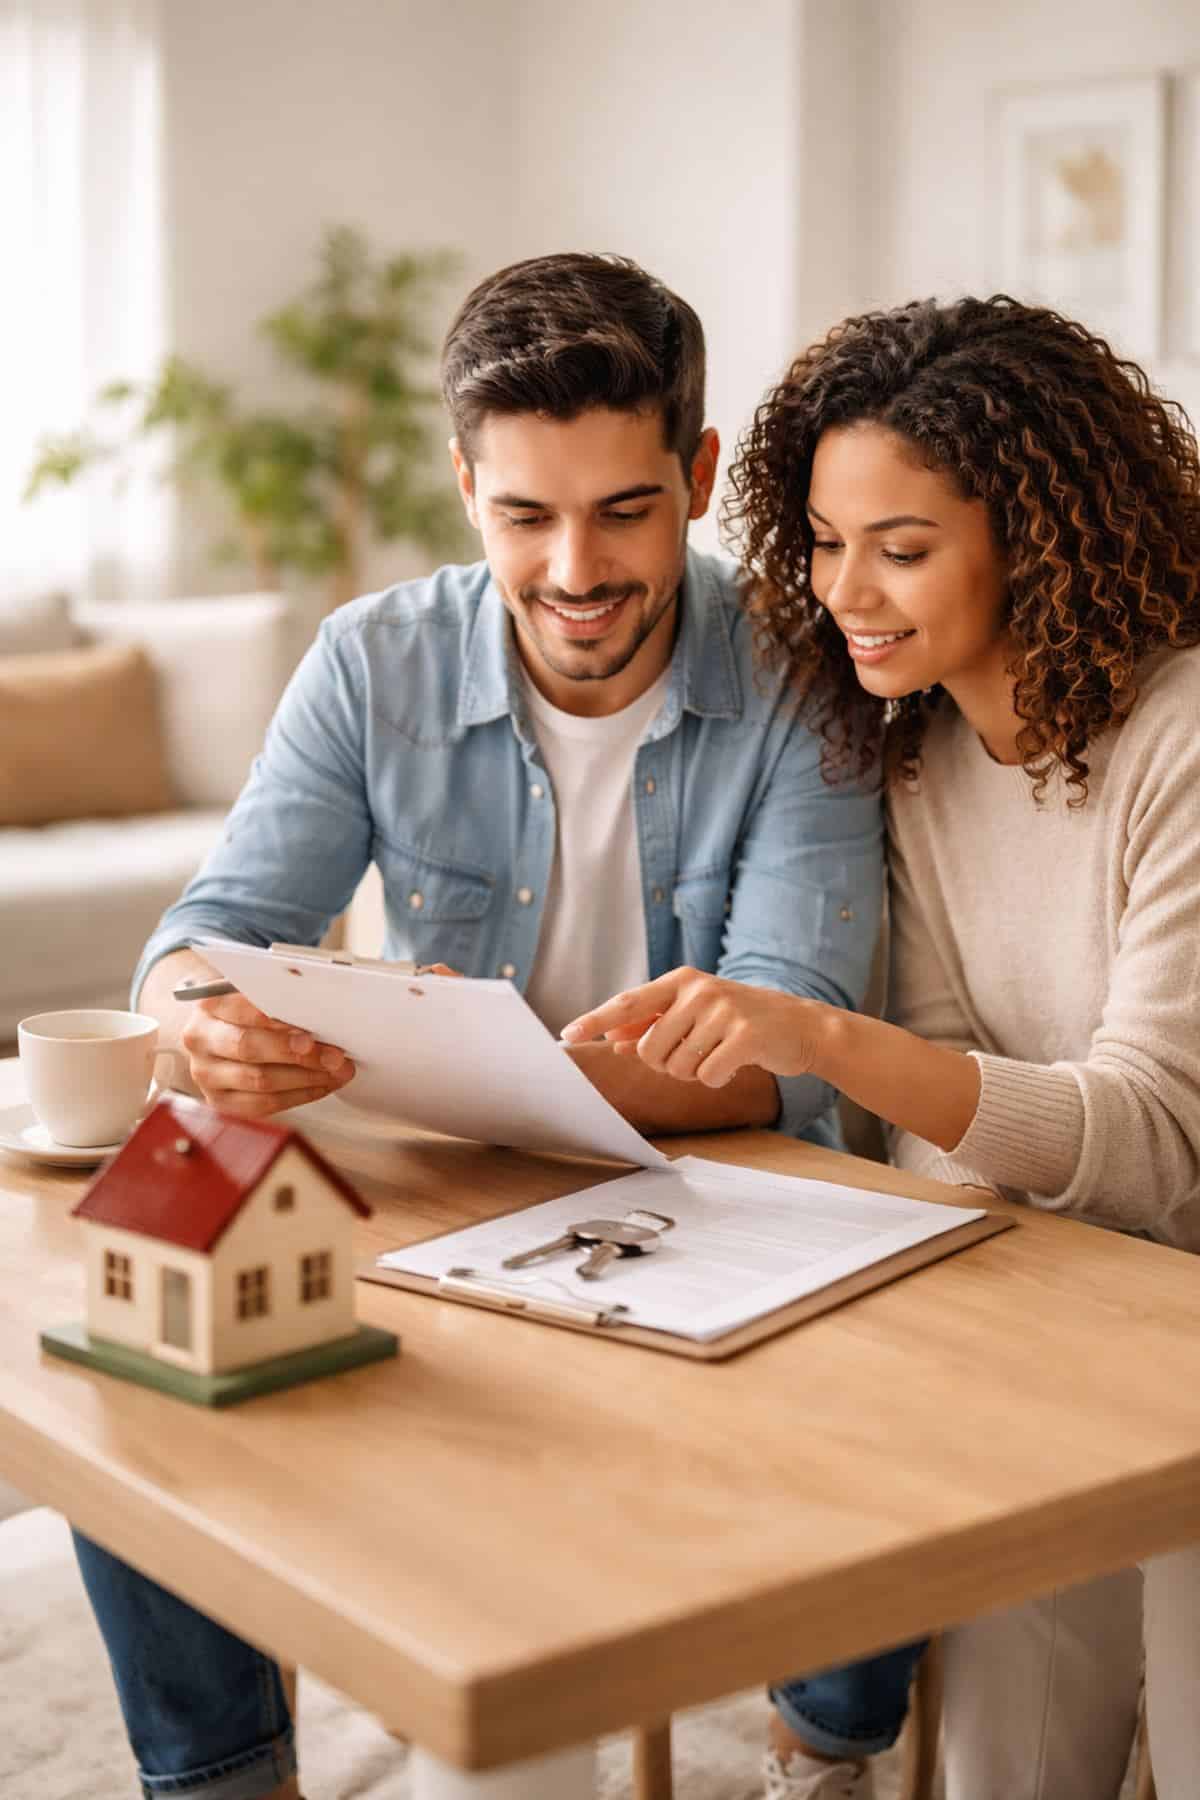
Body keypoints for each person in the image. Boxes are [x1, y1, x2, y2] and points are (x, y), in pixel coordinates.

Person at [71, 252, 883, 1800]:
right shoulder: (373, 659)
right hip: (442, 1198)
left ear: (699, 474)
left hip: (721, 1206)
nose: (575, 568)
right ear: (463, 486)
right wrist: (202, 1025)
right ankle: (225, 1778)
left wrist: (511, 1073)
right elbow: (199, 939)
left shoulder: (799, 673)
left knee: (897, 1391)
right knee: (141, 1350)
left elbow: (799, 1037)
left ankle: (823, 1746)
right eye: (524, 516)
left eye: (624, 511)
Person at [564, 295, 1200, 1800]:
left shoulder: (1179, 742)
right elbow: (944, 1099)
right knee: (1000, 1755)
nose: (845, 592)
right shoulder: (917, 749)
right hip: (1060, 1316)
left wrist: (822, 1039)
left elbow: (1159, 1145)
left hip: (1176, 1329)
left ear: (1037, 540)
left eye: (900, 550)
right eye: (826, 542)